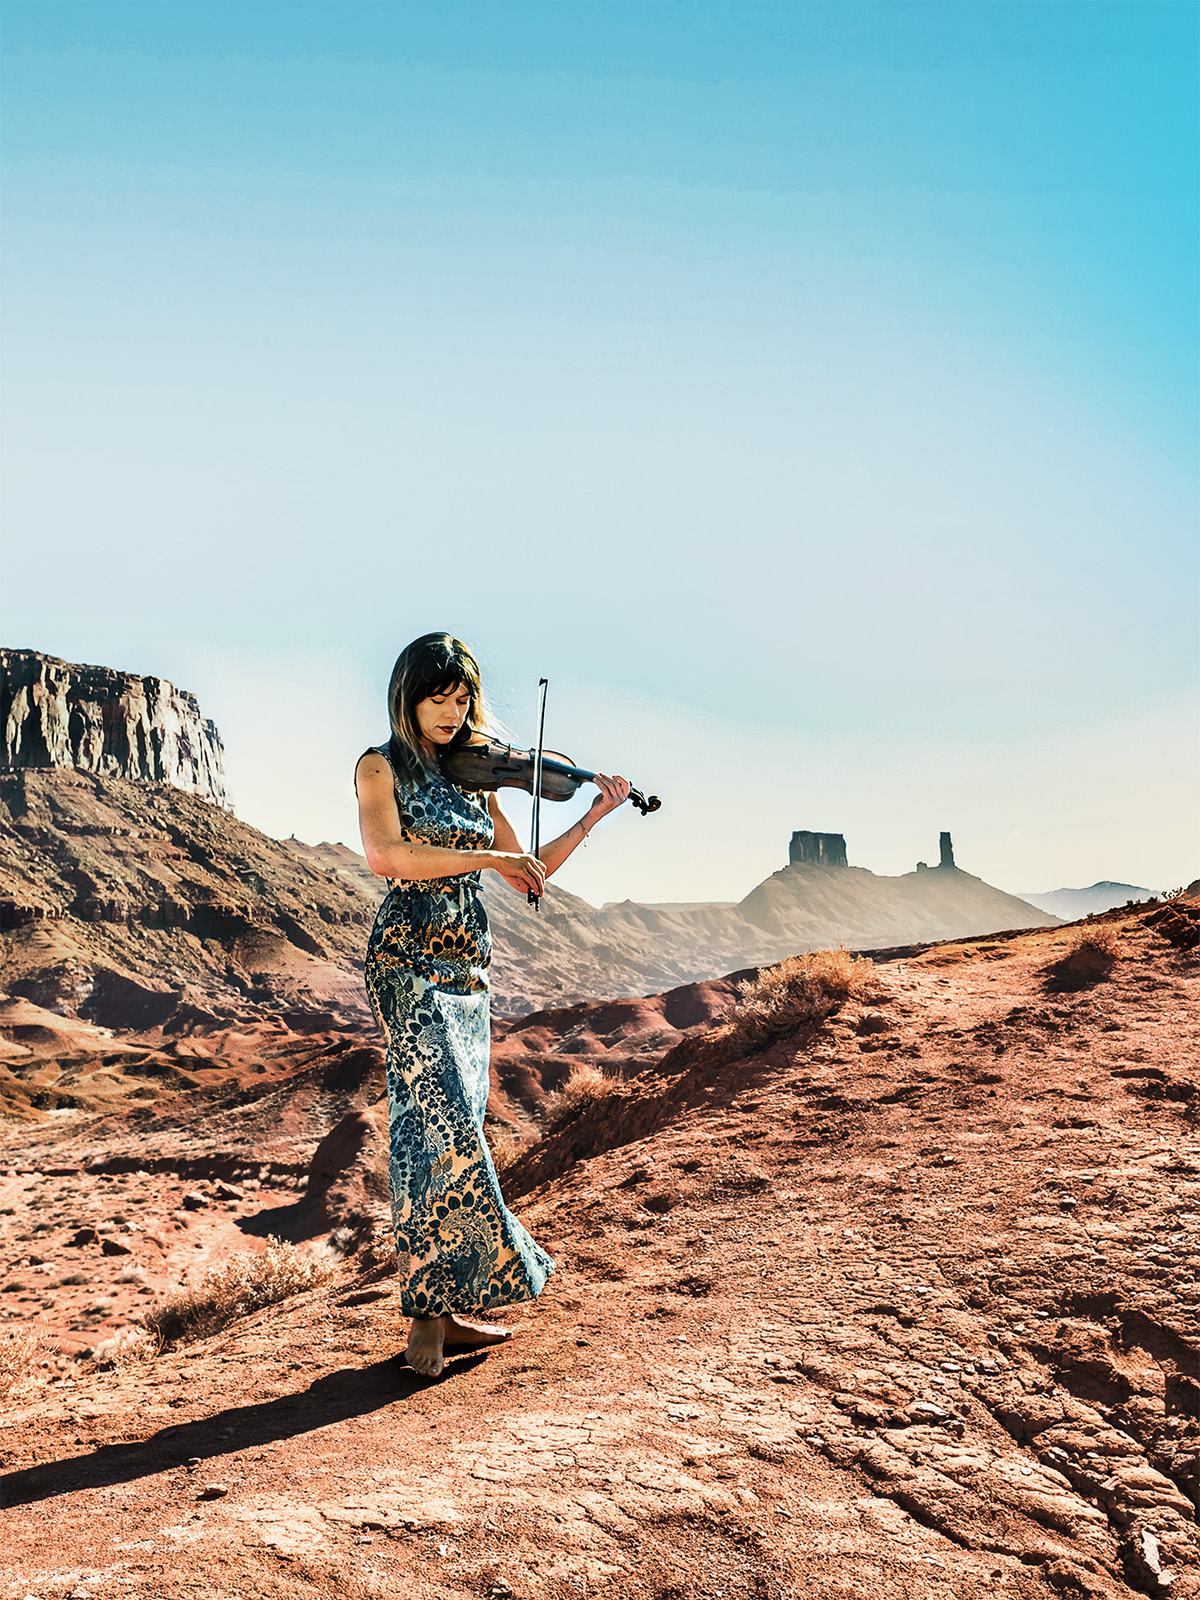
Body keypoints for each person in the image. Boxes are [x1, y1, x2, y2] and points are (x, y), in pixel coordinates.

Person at [355, 632, 630, 1377]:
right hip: (408, 960)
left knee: (450, 1125)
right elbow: (388, 857)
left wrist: (593, 815)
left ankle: (443, 1309)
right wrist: (492, 856)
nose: (452, 713)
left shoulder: (477, 778)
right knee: (433, 1124)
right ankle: (426, 1315)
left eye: (463, 700)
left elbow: (528, 876)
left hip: (469, 970)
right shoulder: (379, 767)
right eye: (437, 699)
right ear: (406, 699)